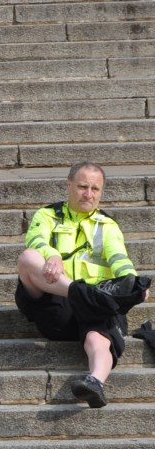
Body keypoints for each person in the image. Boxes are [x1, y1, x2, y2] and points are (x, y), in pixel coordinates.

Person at [16, 161, 150, 408]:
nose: (88, 194)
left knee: (98, 338)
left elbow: (119, 258)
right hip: (58, 307)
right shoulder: (47, 215)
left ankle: (95, 382)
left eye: (95, 189)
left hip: (93, 303)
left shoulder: (107, 225)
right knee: (28, 258)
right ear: (68, 186)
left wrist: (132, 282)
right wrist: (52, 255)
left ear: (101, 192)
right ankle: (75, 291)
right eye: (82, 187)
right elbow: (35, 240)